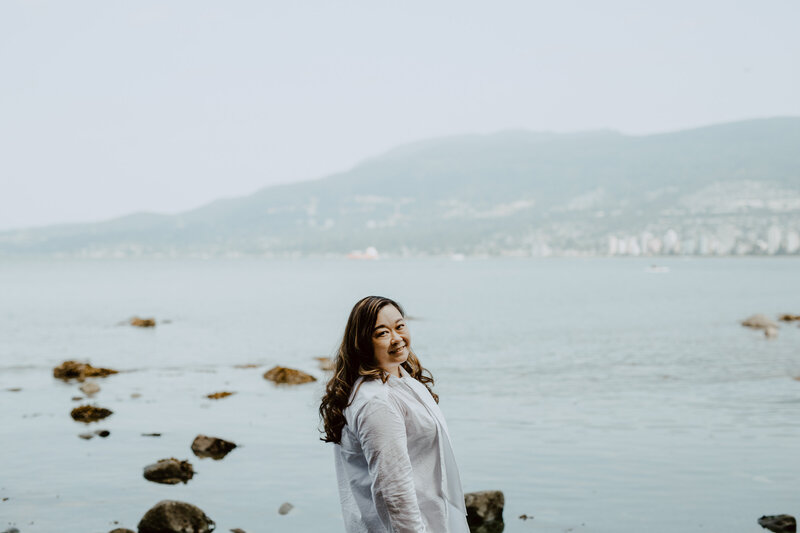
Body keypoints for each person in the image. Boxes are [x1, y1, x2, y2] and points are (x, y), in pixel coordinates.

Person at [319, 296, 469, 533]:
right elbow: (393, 489)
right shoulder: (377, 402)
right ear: (362, 342)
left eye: (400, 326)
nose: (397, 338)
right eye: (382, 333)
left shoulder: (402, 379)